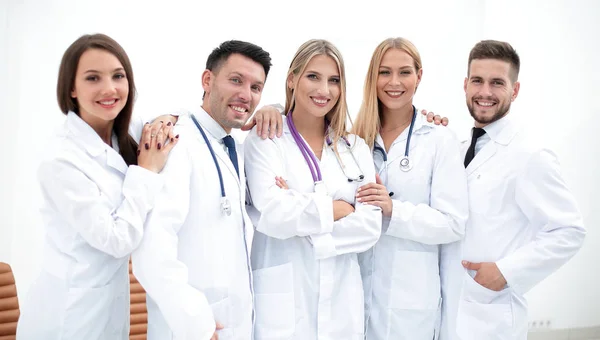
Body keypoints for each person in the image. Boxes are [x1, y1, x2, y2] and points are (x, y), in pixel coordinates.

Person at [16, 33, 177, 340]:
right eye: (93, 78)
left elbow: (177, 122)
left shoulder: (123, 129)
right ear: (72, 88)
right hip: (69, 317)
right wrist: (147, 171)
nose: (109, 88)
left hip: (108, 309)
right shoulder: (61, 159)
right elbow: (116, 239)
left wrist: (167, 119)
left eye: (118, 76)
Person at [131, 40, 275, 340]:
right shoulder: (176, 140)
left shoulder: (231, 145)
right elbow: (151, 250)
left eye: (256, 87)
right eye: (236, 80)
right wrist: (196, 324)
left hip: (230, 323)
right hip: (195, 328)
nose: (246, 95)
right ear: (207, 80)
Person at [447, 40, 586, 340]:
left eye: (497, 83)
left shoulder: (529, 154)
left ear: (515, 90)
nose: (485, 92)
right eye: (477, 81)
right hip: (450, 312)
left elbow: (569, 231)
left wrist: (506, 271)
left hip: (491, 317)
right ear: (465, 85)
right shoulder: (457, 150)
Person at [243, 39, 382, 340]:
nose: (324, 90)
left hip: (342, 304)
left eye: (334, 80)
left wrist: (300, 209)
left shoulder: (355, 148)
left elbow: (370, 226)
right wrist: (337, 209)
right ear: (292, 79)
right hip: (284, 303)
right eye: (313, 76)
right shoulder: (266, 138)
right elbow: (273, 212)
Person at [350, 37, 469, 340]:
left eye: (404, 72)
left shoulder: (439, 139)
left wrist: (393, 210)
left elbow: (453, 224)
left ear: (419, 76)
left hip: (410, 300)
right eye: (384, 72)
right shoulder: (353, 138)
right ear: (372, 77)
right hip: (353, 292)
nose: (394, 82)